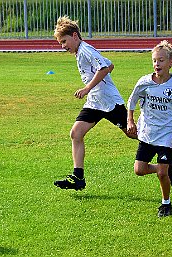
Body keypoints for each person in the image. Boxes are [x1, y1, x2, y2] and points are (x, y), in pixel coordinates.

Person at [53, 15, 136, 190]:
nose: (63, 46)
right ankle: (78, 178)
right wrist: (93, 88)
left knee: (132, 133)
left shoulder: (86, 50)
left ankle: (163, 149)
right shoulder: (81, 51)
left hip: (109, 101)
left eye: (64, 41)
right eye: (60, 43)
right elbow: (109, 65)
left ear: (75, 36)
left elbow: (105, 68)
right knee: (76, 133)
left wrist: (87, 88)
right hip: (95, 103)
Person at [127, 40, 172, 217]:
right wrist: (130, 121)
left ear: (171, 63)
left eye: (161, 60)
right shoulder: (144, 82)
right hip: (146, 132)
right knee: (139, 170)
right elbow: (131, 101)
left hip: (166, 135)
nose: (157, 64)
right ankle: (168, 168)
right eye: (154, 60)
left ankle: (166, 204)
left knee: (162, 174)